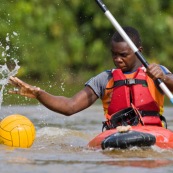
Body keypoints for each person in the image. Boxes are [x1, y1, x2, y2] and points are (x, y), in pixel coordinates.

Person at [9, 26, 173, 131]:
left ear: (139, 51)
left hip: (154, 133)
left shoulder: (157, 73)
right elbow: (70, 107)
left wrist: (164, 78)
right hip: (117, 135)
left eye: (123, 55)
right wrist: (39, 94)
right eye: (113, 54)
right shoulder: (104, 79)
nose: (117, 59)